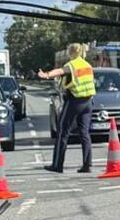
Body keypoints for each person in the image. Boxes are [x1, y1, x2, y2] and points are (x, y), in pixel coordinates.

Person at [39, 43, 98, 173]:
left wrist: (46, 75)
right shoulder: (87, 65)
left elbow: (60, 71)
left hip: (74, 101)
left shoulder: (71, 65)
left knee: (62, 132)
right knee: (84, 134)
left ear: (70, 53)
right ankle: (87, 164)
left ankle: (57, 165)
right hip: (88, 102)